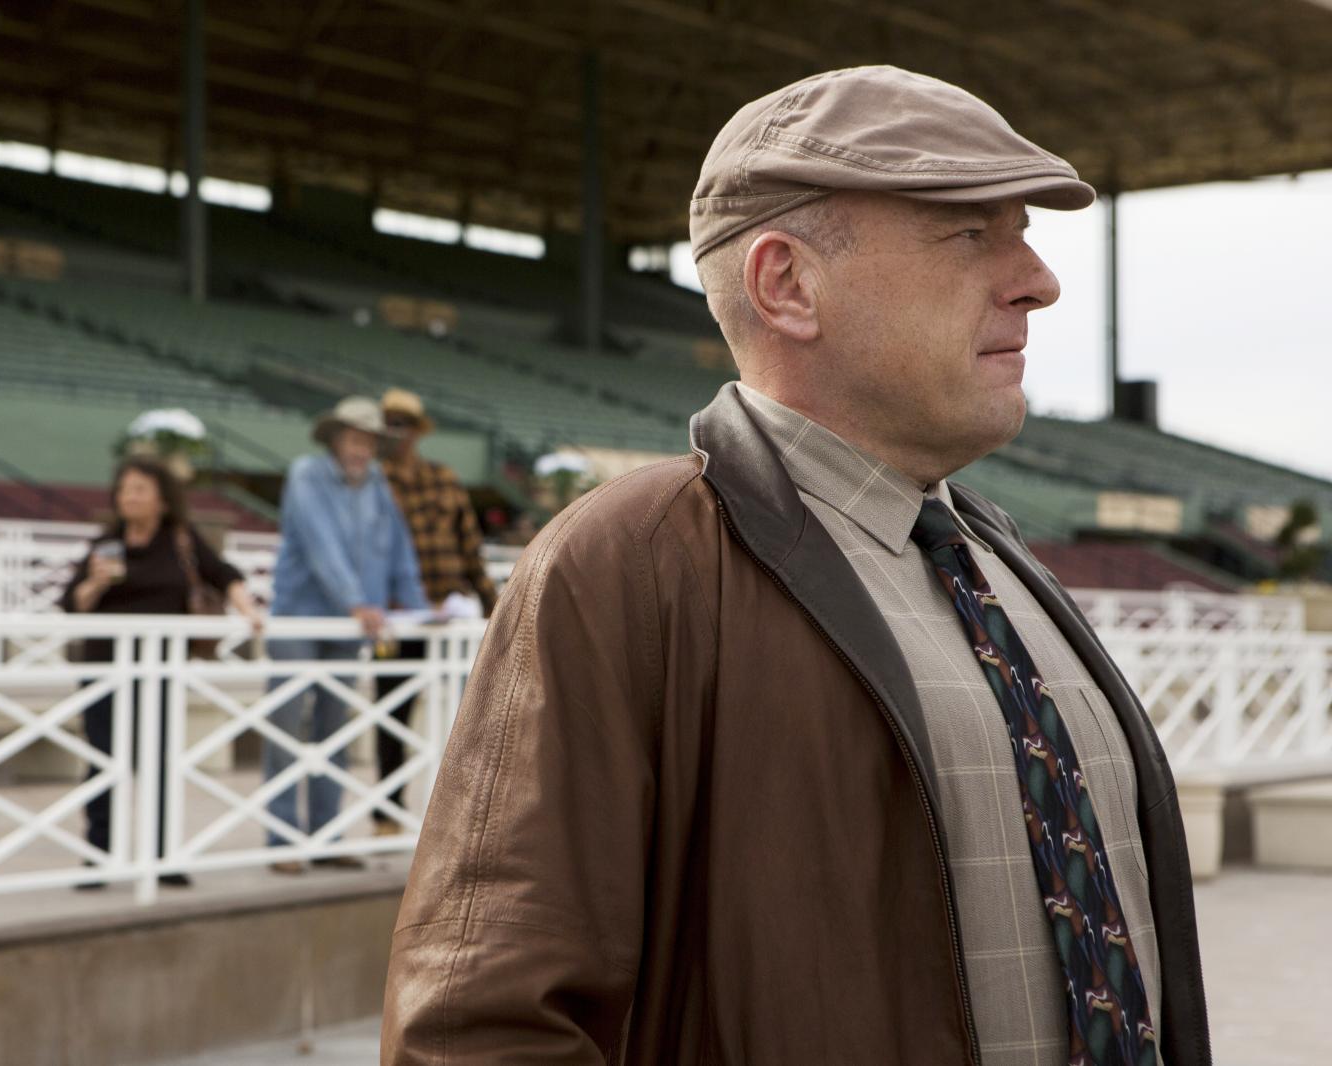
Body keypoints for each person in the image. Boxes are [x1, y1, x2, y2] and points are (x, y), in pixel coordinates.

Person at [384, 66, 1210, 1065]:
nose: (1038, 280)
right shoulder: (628, 565)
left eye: (1023, 233)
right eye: (969, 233)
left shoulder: (994, 560)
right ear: (788, 285)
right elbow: (478, 1030)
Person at [60, 456, 263, 888]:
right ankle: (98, 857)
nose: (129, 497)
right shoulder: (107, 542)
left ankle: (163, 855)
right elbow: (70, 604)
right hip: (106, 669)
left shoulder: (181, 540)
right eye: (124, 489)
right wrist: (96, 583)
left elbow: (224, 574)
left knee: (159, 763)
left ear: (163, 499)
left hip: (161, 673)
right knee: (102, 762)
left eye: (139, 489)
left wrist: (248, 611)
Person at [267, 396, 427, 873]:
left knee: (334, 730)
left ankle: (327, 835)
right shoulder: (306, 475)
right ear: (335, 439)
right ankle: (282, 841)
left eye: (370, 441)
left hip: (352, 626)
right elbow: (321, 546)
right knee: (285, 725)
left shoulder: (378, 484)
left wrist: (423, 610)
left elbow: (398, 553)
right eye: (355, 439)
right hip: (301, 618)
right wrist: (356, 600)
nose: (362, 449)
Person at [371, 388, 497, 837]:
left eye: (402, 425)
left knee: (471, 714)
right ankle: (387, 811)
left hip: (452, 615)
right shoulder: (373, 482)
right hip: (401, 616)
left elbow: (470, 546)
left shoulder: (444, 478)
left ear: (416, 432)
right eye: (389, 424)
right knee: (392, 712)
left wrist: (494, 605)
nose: (396, 432)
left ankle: (467, 813)